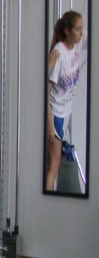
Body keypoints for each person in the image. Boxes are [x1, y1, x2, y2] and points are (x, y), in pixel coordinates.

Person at [45, 10, 83, 191]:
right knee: (54, 166)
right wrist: (50, 128)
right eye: (77, 29)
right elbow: (45, 92)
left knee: (57, 163)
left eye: (82, 29)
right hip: (56, 114)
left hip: (66, 111)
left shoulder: (76, 46)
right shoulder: (58, 53)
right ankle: (47, 199)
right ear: (67, 31)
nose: (81, 33)